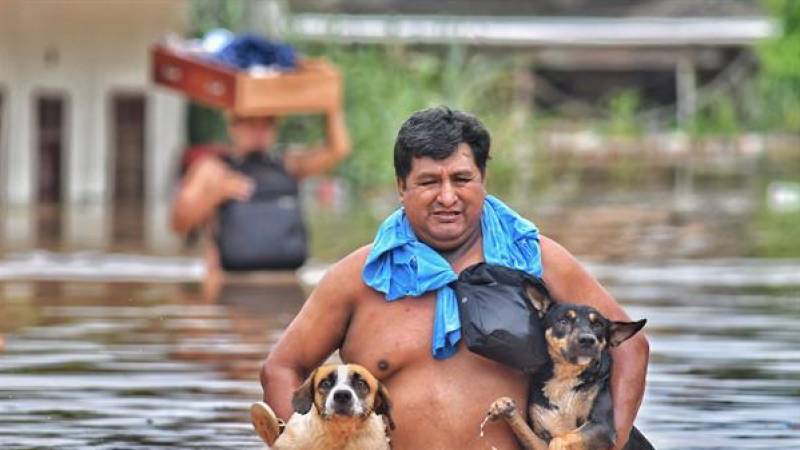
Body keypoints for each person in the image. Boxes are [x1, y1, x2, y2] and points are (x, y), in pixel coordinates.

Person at [259, 107, 649, 450]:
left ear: (483, 179)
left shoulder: (536, 260)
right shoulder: (358, 277)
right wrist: (303, 443)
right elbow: (281, 367)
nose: (447, 197)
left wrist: (606, 443)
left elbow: (630, 347)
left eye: (461, 179)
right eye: (429, 182)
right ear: (401, 187)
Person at [170, 108, 350, 287]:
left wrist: (331, 106)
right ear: (233, 127)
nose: (259, 133)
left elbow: (337, 150)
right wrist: (215, 194)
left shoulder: (290, 166)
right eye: (251, 124)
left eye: (266, 125)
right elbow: (178, 222)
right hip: (229, 284)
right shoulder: (213, 169)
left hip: (285, 283)